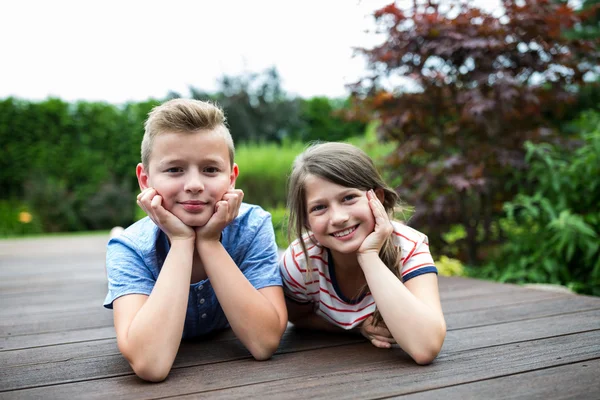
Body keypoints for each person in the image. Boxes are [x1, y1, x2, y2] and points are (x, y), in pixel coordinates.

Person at [104, 99, 287, 382]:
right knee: (118, 247)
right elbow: (150, 364)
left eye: (210, 170)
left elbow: (264, 343)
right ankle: (115, 235)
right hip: (133, 244)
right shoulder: (129, 248)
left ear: (231, 177)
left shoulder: (253, 225)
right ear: (145, 179)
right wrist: (180, 240)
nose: (194, 185)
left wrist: (210, 242)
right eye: (175, 169)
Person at [280, 142, 446, 365]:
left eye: (348, 198)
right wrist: (357, 327)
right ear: (306, 220)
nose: (338, 217)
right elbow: (298, 317)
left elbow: (426, 347)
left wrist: (368, 255)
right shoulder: (302, 261)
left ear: (376, 197)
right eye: (319, 207)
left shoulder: (408, 247)